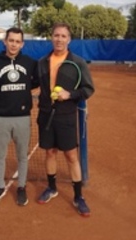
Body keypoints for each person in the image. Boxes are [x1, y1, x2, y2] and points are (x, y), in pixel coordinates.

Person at [35, 23, 95, 217]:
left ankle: (79, 197)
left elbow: (88, 89)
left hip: (66, 116)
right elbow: (32, 83)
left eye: (63, 36)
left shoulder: (78, 62)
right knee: (50, 153)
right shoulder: (42, 62)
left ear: (69, 39)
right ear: (51, 38)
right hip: (45, 114)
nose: (59, 39)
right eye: (56, 35)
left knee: (71, 156)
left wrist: (70, 95)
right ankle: (52, 188)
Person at [0, 27, 39, 207]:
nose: (14, 44)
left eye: (17, 41)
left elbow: (37, 81)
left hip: (22, 118)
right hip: (1, 119)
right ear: (5, 42)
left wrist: (23, 90)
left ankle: (21, 187)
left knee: (22, 156)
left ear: (22, 44)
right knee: (0, 156)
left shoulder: (30, 63)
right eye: (11, 40)